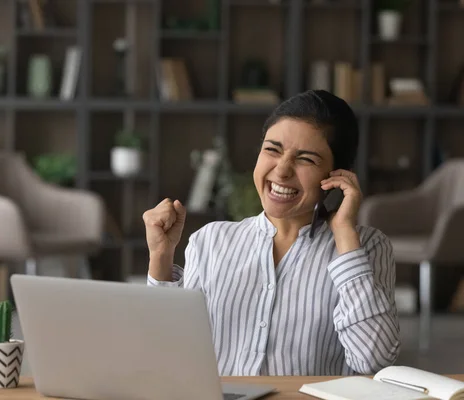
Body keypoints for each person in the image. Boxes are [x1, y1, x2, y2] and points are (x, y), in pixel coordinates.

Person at [143, 89, 400, 376]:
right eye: (272, 150)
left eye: (306, 159)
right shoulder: (211, 240)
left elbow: (374, 361)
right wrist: (161, 257)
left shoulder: (367, 247)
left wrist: (344, 234)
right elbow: (171, 353)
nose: (281, 171)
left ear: (337, 176)